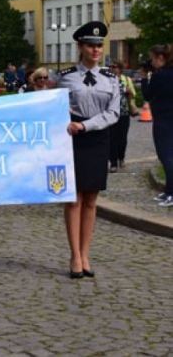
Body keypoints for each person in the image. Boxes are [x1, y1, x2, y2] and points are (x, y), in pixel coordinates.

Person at [57, 21, 119, 279]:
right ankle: (75, 256)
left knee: (91, 199)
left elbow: (114, 113)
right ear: (81, 47)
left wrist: (86, 126)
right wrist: (67, 119)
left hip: (97, 139)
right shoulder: (67, 77)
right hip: (73, 139)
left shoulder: (111, 79)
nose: (96, 50)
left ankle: (86, 253)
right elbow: (56, 108)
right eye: (90, 45)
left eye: (99, 45)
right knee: (74, 199)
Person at [140, 45, 173, 207]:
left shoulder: (160, 75)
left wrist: (145, 77)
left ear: (160, 58)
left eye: (153, 59)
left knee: (166, 156)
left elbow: (147, 94)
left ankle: (171, 193)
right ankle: (168, 190)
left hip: (163, 120)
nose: (151, 62)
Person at [108, 60, 134, 173]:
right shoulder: (107, 80)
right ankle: (113, 163)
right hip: (111, 114)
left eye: (114, 67)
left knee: (122, 139)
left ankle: (121, 158)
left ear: (120, 69)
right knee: (111, 139)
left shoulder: (126, 80)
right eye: (110, 67)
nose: (112, 69)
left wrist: (129, 92)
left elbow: (133, 94)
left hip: (124, 114)